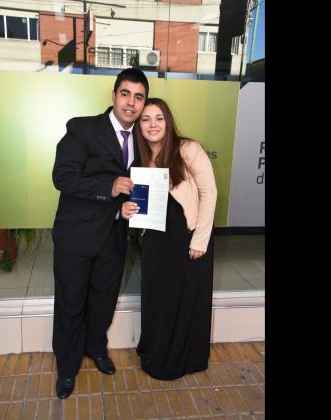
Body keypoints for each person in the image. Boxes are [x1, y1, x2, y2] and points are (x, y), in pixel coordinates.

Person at [50, 68, 148, 399]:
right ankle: (66, 368)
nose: (131, 103)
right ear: (113, 95)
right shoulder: (82, 128)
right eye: (126, 94)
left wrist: (128, 207)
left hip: (114, 235)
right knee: (70, 302)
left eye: (139, 97)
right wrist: (108, 187)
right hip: (76, 236)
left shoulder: (143, 138)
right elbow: (62, 177)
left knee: (103, 301)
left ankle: (96, 348)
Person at [121, 97, 218, 381]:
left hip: (187, 236)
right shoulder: (139, 160)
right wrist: (127, 211)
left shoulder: (187, 149)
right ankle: (156, 351)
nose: (153, 124)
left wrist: (200, 240)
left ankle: (179, 360)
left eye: (159, 118)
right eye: (146, 119)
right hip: (154, 240)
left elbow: (209, 193)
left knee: (184, 300)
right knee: (157, 299)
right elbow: (139, 205)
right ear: (139, 125)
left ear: (168, 121)